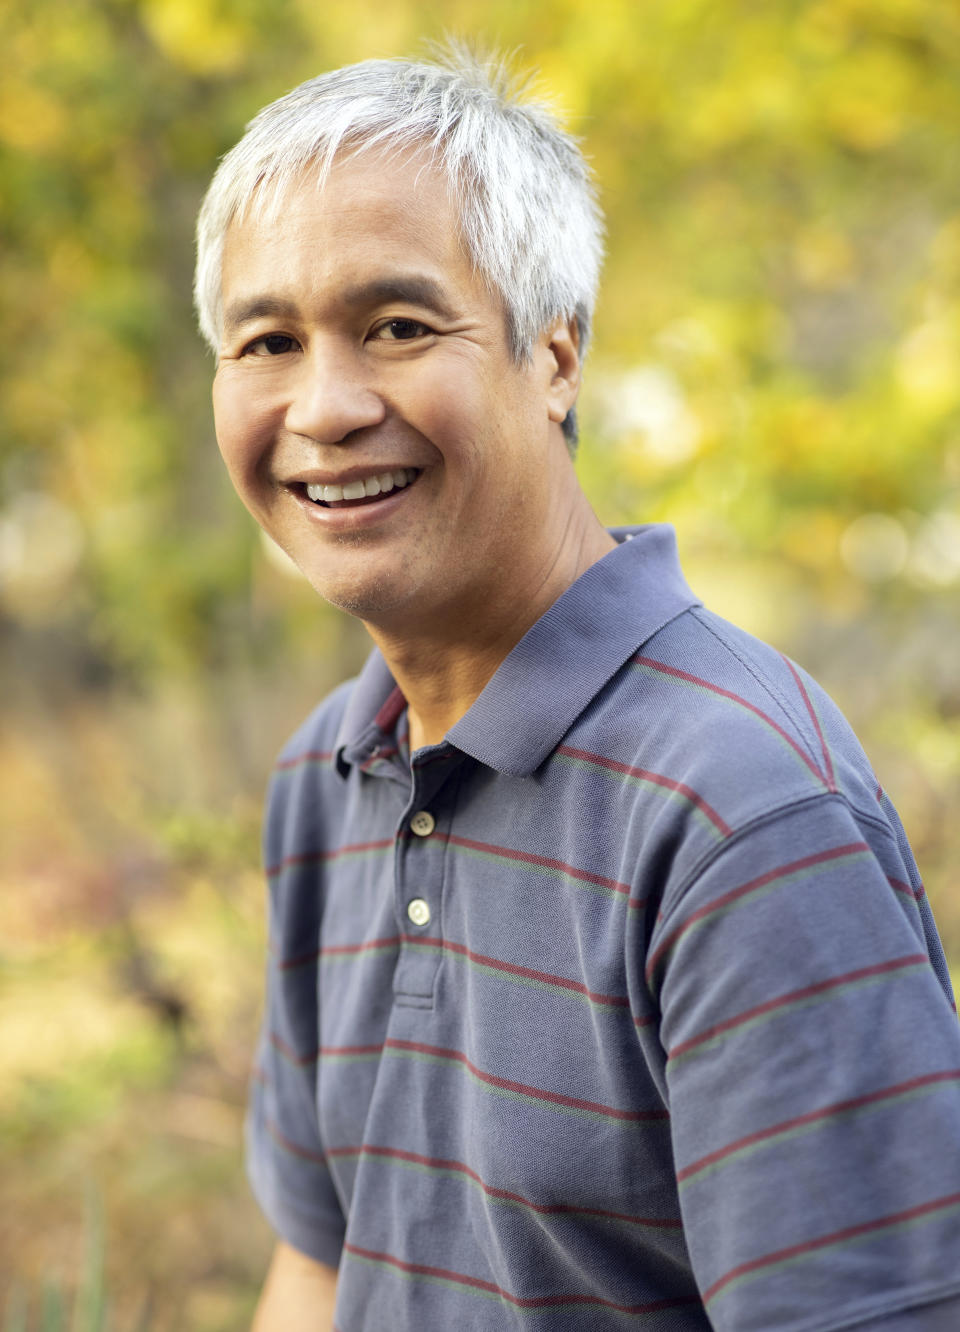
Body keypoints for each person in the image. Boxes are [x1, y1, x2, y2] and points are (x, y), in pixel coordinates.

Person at [194, 48, 960, 1332]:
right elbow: (320, 1266)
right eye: (267, 341)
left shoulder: (739, 818)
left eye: (396, 325)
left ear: (555, 356)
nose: (323, 407)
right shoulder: (327, 771)